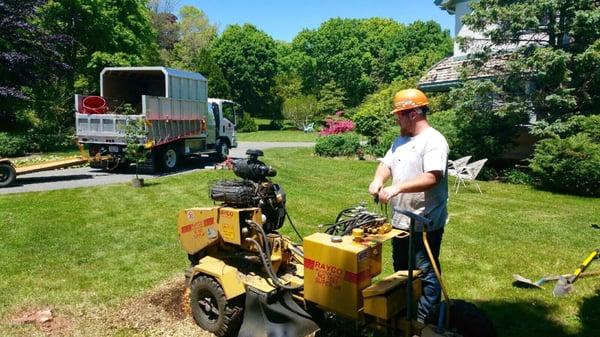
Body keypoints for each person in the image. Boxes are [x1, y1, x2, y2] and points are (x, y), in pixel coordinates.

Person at [368, 88, 449, 323]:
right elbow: (387, 164)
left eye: (399, 114)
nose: (396, 119)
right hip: (401, 221)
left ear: (413, 113)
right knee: (402, 269)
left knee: (425, 272)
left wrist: (397, 188)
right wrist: (378, 179)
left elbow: (433, 177)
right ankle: (404, 312)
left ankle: (424, 320)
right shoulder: (401, 140)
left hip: (425, 222)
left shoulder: (434, 141)